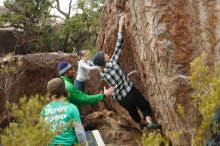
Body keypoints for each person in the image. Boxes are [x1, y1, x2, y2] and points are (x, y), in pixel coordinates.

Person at [92, 14, 161, 130]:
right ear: (105, 59)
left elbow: (116, 81)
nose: (107, 54)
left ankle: (140, 124)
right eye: (105, 55)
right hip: (130, 91)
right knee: (143, 105)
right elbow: (119, 44)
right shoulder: (113, 62)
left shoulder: (103, 73)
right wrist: (120, 25)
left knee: (132, 111)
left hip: (121, 99)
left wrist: (127, 75)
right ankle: (150, 123)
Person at [41, 78, 88, 146]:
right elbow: (79, 133)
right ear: (64, 90)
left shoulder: (44, 110)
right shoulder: (72, 108)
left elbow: (43, 134)